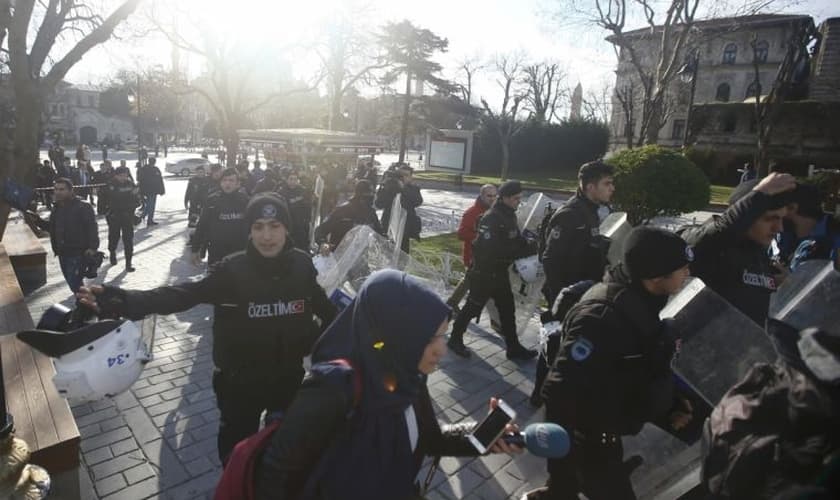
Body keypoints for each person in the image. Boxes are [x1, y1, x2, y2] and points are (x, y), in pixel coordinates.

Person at [77, 193, 338, 463]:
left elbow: (327, 309)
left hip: (288, 379)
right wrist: (124, 301)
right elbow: (184, 294)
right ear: (249, 230)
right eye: (258, 227)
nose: (267, 236)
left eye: (274, 226)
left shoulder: (301, 264)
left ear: (286, 228)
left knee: (283, 453)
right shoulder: (233, 270)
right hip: (240, 384)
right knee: (237, 455)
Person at [254, 269, 521, 499]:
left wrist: (485, 435)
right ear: (394, 336)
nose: (441, 349)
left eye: (444, 334)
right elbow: (275, 472)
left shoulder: (408, 376)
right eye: (428, 338)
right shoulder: (333, 386)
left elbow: (430, 439)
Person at [527, 226, 694, 500]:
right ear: (655, 276)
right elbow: (559, 396)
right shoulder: (601, 318)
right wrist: (562, 483)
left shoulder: (642, 302)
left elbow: (631, 369)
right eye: (682, 268)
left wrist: (670, 403)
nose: (687, 274)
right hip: (590, 448)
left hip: (612, 437)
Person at [680, 172, 796, 326]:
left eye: (781, 219)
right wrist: (760, 195)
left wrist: (784, 287)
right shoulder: (708, 245)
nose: (779, 228)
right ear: (743, 215)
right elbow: (717, 234)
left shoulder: (759, 255)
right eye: (769, 219)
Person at [447, 180, 538, 360]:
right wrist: (520, 250)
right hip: (484, 273)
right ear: (504, 198)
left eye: (520, 198)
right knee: (472, 308)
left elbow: (515, 239)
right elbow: (491, 249)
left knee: (507, 309)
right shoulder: (492, 217)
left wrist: (530, 244)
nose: (518, 202)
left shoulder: (510, 215)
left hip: (500, 272)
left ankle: (513, 347)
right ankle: (455, 338)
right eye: (515, 198)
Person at [541, 160, 615, 306]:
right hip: (569, 296)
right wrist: (560, 299)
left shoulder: (591, 210)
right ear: (590, 187)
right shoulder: (570, 214)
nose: (612, 188)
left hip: (585, 291)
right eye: (607, 184)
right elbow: (550, 259)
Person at [29, 178, 99, 293]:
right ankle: (85, 306)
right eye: (56, 189)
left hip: (78, 253)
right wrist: (37, 220)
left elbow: (92, 228)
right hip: (62, 253)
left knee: (76, 285)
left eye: (62, 189)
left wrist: (93, 247)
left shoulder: (83, 206)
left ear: (71, 190)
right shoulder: (57, 207)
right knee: (75, 285)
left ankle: (87, 307)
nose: (58, 192)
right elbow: (52, 228)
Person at [447, 184, 497, 312]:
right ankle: (455, 305)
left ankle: (453, 304)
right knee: (470, 281)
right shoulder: (472, 212)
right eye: (489, 195)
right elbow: (461, 234)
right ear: (481, 195)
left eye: (494, 195)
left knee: (470, 281)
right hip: (473, 255)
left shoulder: (494, 211)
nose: (492, 198)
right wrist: (483, 236)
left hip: (488, 256)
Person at [191, 168, 250, 266]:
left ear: (238, 183)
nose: (227, 183)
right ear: (220, 182)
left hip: (239, 253)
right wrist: (195, 249)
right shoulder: (212, 200)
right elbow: (202, 225)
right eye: (224, 180)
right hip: (216, 253)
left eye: (231, 180)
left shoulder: (245, 201)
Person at [777, 182, 840, 270]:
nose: (775, 215)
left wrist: (790, 280)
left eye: (777, 207)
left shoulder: (834, 240)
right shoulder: (781, 236)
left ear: (792, 207)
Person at [314, 180, 384, 253]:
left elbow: (379, 233)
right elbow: (320, 230)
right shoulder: (342, 211)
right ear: (360, 196)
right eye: (367, 195)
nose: (370, 199)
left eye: (372, 195)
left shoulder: (371, 213)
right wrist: (323, 244)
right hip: (339, 257)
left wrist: (387, 242)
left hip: (361, 258)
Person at [106, 166, 140, 272]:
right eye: (121, 176)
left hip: (128, 216)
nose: (124, 178)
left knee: (128, 240)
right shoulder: (110, 185)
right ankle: (112, 252)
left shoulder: (130, 184)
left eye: (125, 175)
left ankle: (128, 264)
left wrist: (132, 204)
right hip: (114, 216)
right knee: (114, 237)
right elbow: (108, 200)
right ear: (116, 176)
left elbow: (137, 199)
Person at [279, 172, 312, 250]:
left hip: (301, 226)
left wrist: (307, 220)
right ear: (287, 180)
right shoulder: (281, 192)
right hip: (287, 227)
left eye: (295, 179)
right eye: (291, 179)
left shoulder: (303, 191)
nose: (293, 181)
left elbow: (308, 207)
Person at [137, 157, 165, 226]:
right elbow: (140, 180)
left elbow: (160, 180)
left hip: (153, 190)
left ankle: (143, 216)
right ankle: (149, 220)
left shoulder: (154, 169)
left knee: (150, 205)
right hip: (148, 190)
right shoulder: (145, 169)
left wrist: (161, 189)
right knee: (151, 205)